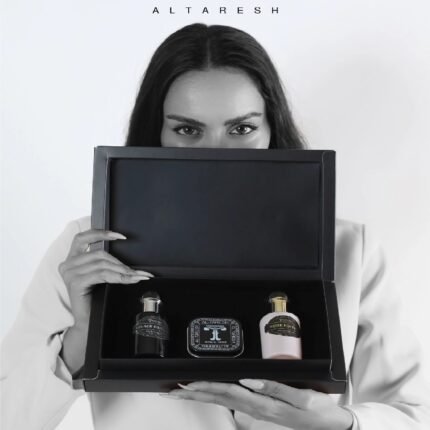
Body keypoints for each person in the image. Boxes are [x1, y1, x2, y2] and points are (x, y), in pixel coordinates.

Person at [1, 23, 429, 430]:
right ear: (157, 132)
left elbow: (414, 414)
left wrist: (341, 423)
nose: (215, 152)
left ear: (271, 128)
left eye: (241, 128)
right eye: (188, 129)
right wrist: (81, 340)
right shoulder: (89, 251)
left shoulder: (349, 249)